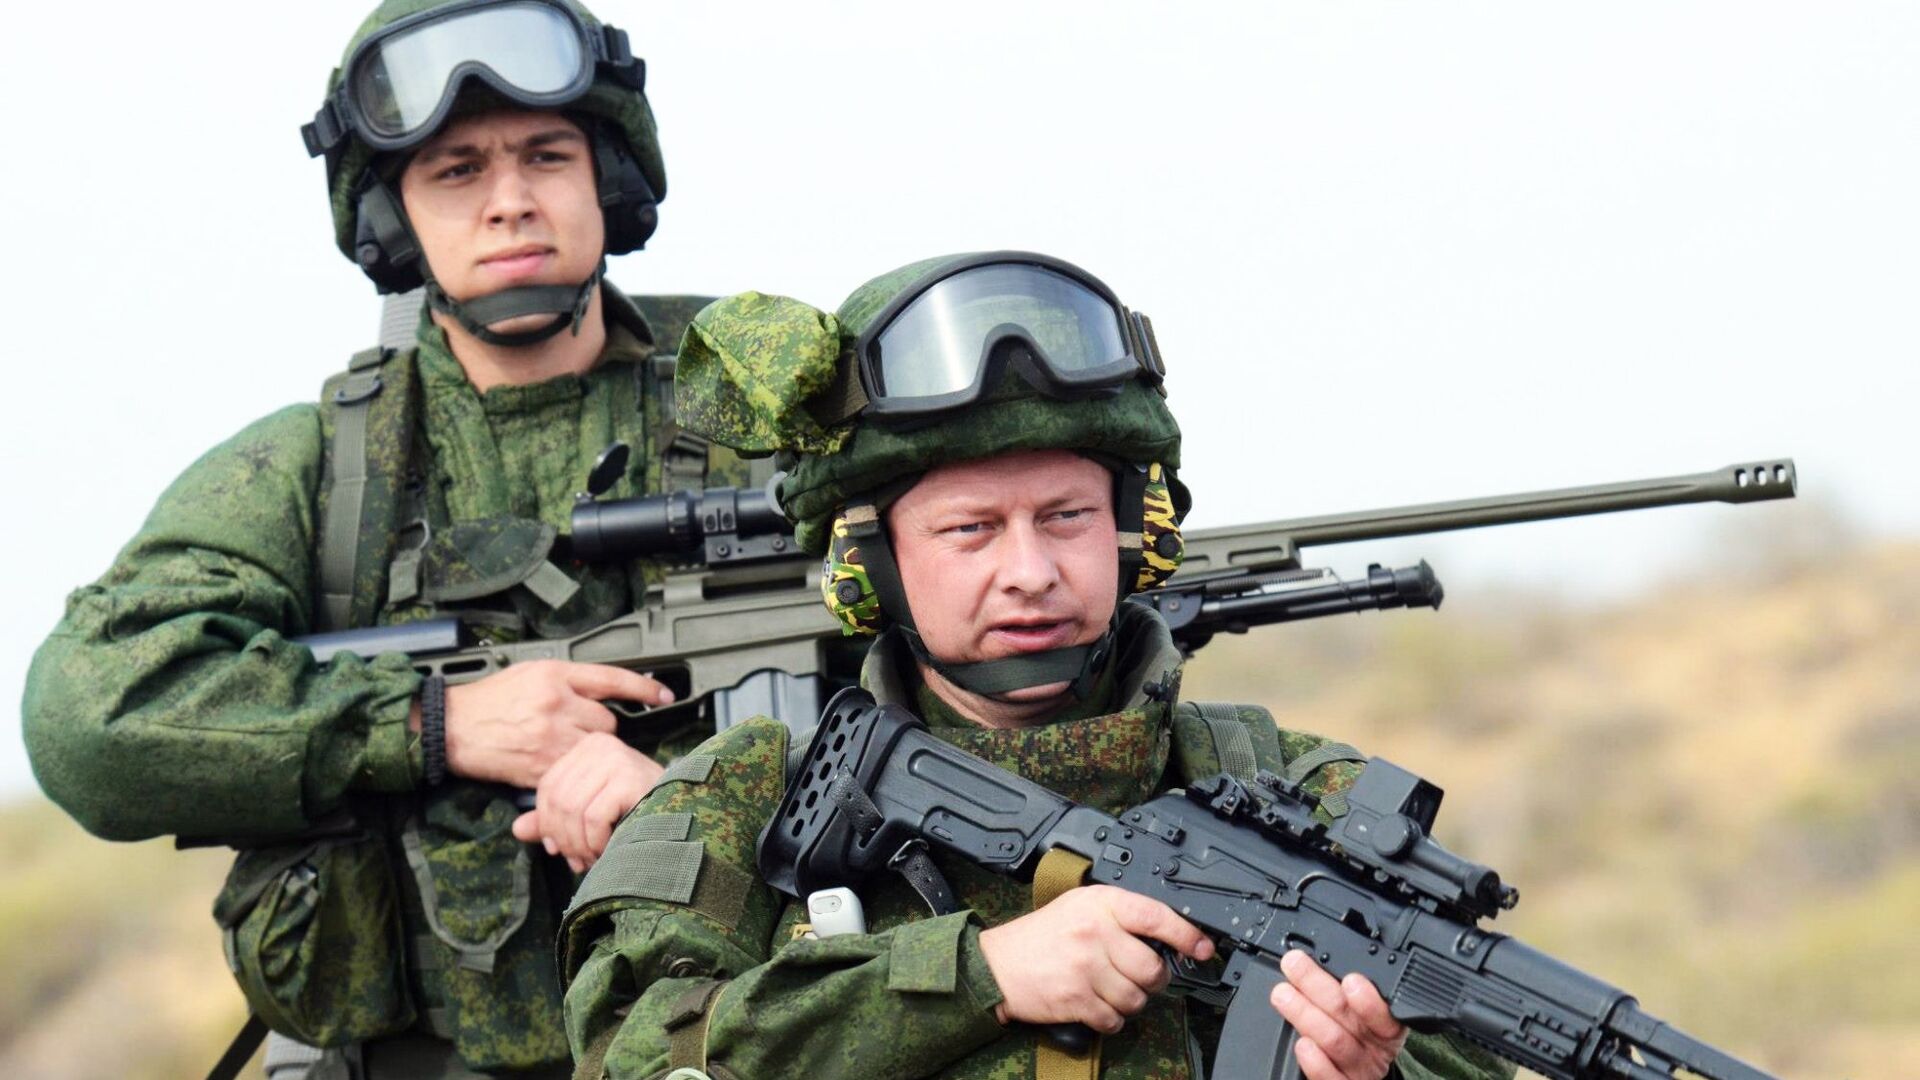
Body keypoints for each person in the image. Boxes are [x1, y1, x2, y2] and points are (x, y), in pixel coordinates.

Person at [557, 253, 1515, 1079]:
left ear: (1133, 533)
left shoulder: (1311, 804)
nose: (1030, 573)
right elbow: (634, 1054)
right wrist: (977, 978)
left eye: (1066, 517)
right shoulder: (746, 794)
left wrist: (1379, 1069)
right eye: (970, 530)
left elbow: (1480, 1042)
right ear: (874, 563)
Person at [22, 0, 748, 1075]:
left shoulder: (758, 400)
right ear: (395, 212)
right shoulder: (320, 472)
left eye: (547, 155)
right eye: (456, 171)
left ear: (608, 177)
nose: (510, 202)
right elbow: (87, 716)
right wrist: (436, 722)